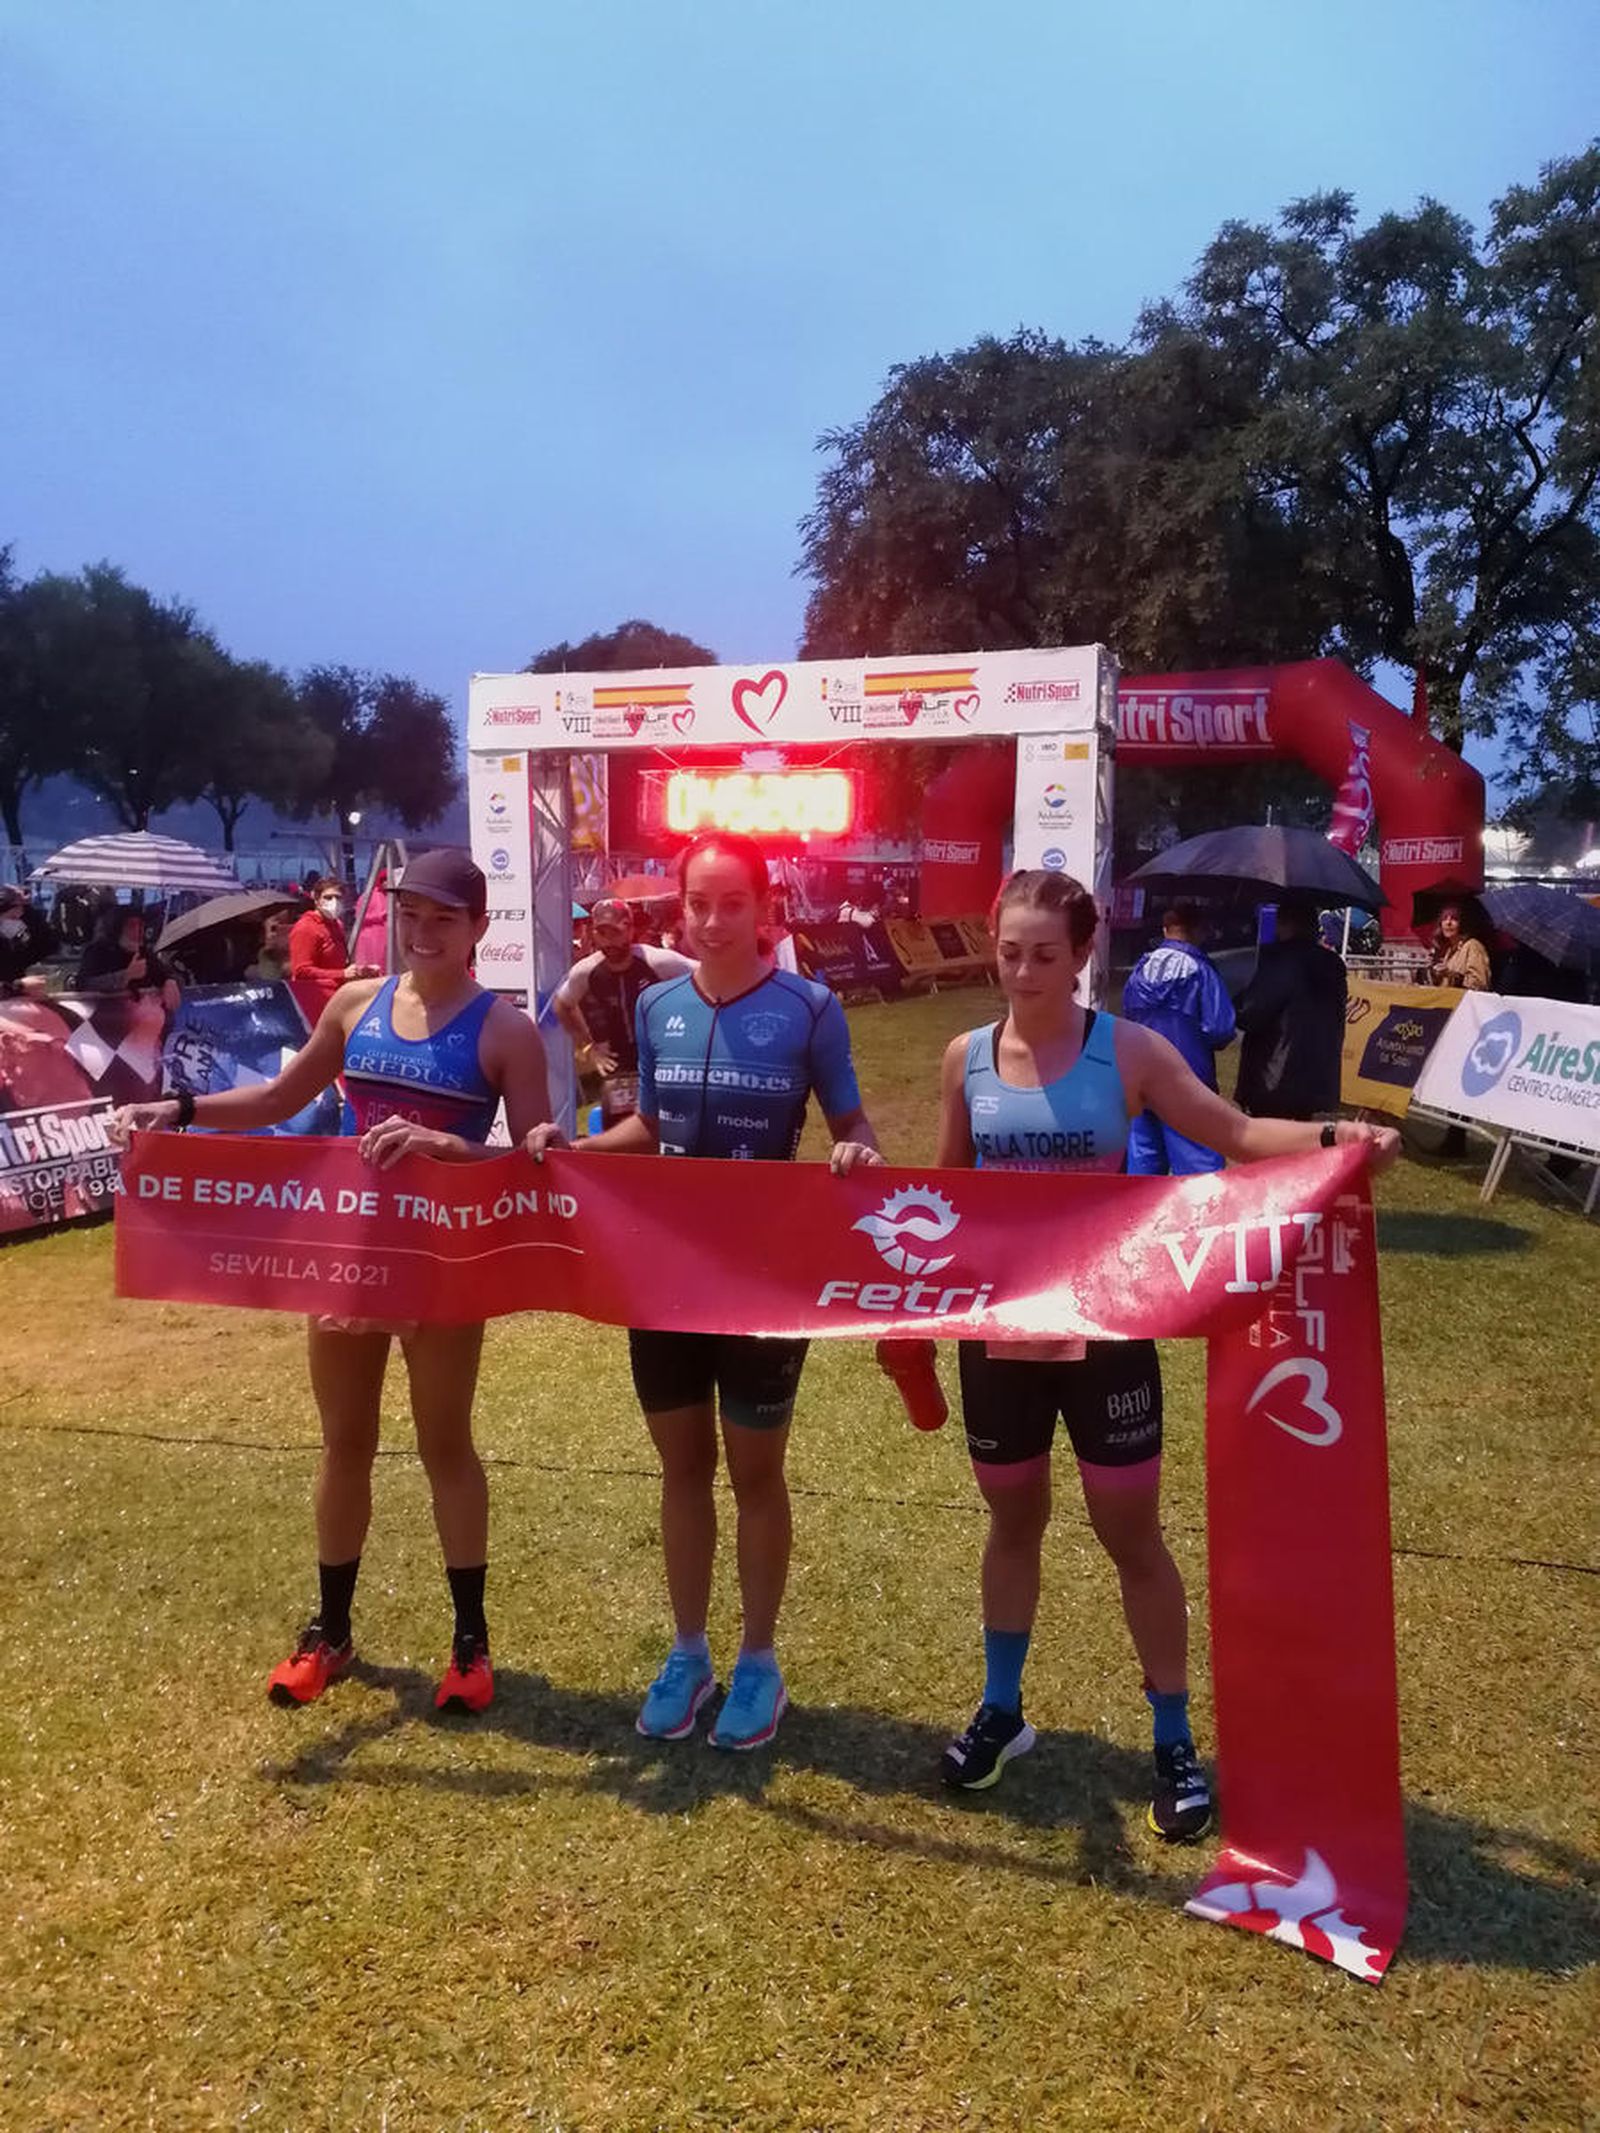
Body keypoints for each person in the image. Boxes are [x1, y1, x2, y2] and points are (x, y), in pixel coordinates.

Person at [933, 869, 1398, 1840]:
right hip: (1001, 1338)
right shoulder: (963, 1058)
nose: (1022, 973)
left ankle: (1173, 1741)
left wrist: (1332, 1135)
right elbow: (945, 1197)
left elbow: (1229, 1135)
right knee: (1010, 1523)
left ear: (1081, 956)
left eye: (1045, 956)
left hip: (1107, 1331)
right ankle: (1002, 1710)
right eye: (1009, 951)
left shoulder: (1129, 1051)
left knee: (1128, 1536)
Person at [112, 850, 550, 1715]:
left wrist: (450, 1147)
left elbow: (539, 1162)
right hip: (345, 1253)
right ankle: (331, 1630)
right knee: (344, 1441)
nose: (423, 936)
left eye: (443, 921)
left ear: (478, 931)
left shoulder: (506, 1030)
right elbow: (280, 1098)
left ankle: (470, 1643)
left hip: (441, 1261)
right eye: (411, 918)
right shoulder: (357, 1002)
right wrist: (181, 1111)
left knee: (443, 1446)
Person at [527, 831, 884, 1752]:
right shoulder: (655, 1004)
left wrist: (858, 1151)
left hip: (765, 1277)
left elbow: (851, 1121)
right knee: (681, 1469)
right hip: (666, 1275)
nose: (715, 920)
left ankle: (759, 1660)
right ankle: (689, 1653)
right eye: (699, 903)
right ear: (678, 910)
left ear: (765, 909)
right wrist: (575, 1150)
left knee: (755, 1473)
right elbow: (649, 1122)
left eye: (733, 903)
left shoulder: (810, 1006)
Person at [552, 897, 694, 1126]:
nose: (609, 942)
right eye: (602, 933)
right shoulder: (586, 971)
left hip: (661, 1066)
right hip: (617, 1072)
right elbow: (561, 1005)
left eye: (616, 932)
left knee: (665, 1139)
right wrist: (589, 1048)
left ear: (629, 930)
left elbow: (704, 976)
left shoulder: (657, 961)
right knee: (619, 1147)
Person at [1120, 901, 1236, 1173]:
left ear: (1165, 929)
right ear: (1199, 931)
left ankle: (1140, 1215)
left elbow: (1127, 1015)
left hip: (1141, 1079)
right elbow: (1220, 1028)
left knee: (1143, 1168)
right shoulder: (1201, 971)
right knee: (1198, 1170)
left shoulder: (1140, 970)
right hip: (1189, 1081)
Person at [1233, 893, 1348, 1121]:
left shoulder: (1280, 961)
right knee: (1301, 1147)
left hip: (1274, 1078)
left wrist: (1235, 1000)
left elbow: (1251, 1013)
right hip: (1318, 1076)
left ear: (1285, 923)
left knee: (1269, 1148)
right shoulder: (1333, 965)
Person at [288, 876, 380, 1006]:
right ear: (316, 899)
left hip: (336, 996)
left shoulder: (337, 925)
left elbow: (339, 964)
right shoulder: (306, 928)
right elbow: (301, 971)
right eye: (328, 897)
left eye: (338, 898)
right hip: (314, 998)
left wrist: (359, 972)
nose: (334, 902)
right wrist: (342, 974)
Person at [74, 906, 180, 1012]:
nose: (139, 931)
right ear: (116, 928)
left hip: (142, 1018)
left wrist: (170, 981)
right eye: (132, 925)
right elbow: (84, 985)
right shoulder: (97, 951)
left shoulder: (143, 952)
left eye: (141, 925)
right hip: (104, 1018)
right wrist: (126, 976)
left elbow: (168, 974)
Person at [0, 884, 58, 998]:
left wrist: (28, 910)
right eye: (12, 918)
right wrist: (19, 986)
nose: (17, 923)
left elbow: (48, 945)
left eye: (20, 918)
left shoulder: (8, 945)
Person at [1428, 902, 1491, 991]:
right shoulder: (1450, 950)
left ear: (1463, 923)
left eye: (1454, 919)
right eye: (1444, 919)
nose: (1448, 923)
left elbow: (1479, 984)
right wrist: (1434, 974)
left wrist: (1451, 974)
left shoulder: (1473, 946)